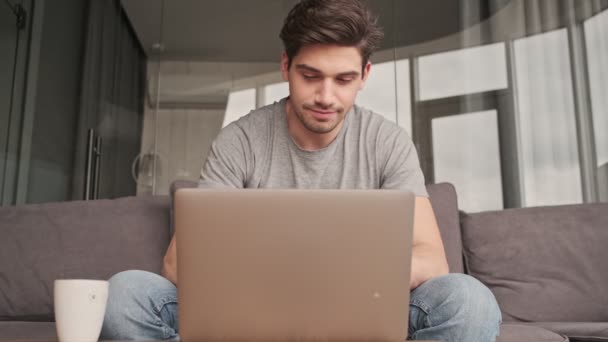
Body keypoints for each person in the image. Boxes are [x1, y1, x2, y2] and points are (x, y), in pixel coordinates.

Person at [101, 0, 501, 341]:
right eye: (310, 76)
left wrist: (330, 276)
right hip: (249, 308)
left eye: (343, 79)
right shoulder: (240, 140)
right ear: (285, 66)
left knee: (470, 302)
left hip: (361, 305)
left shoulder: (387, 142)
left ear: (364, 76)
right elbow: (176, 266)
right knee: (123, 296)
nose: (326, 97)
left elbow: (433, 263)